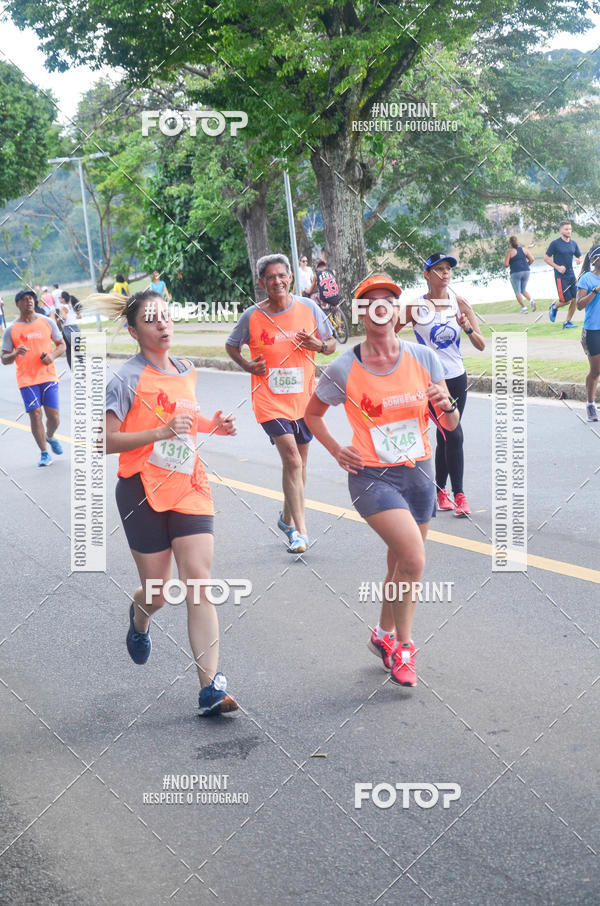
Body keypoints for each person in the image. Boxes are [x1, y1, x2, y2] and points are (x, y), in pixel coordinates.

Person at [304, 274, 460, 687]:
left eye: (387, 301)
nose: (379, 308)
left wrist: (448, 406)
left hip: (421, 476)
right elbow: (312, 414)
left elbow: (448, 422)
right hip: (373, 477)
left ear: (397, 311)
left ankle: (382, 635)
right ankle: (404, 648)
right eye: (369, 302)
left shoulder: (423, 358)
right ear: (360, 313)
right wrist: (338, 449)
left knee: (399, 563)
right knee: (412, 557)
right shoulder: (344, 367)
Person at [95, 288, 239, 716]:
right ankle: (140, 618)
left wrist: (215, 423)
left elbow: (185, 417)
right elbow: (104, 440)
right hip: (140, 489)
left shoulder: (186, 368)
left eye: (166, 317)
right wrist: (158, 434)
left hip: (188, 484)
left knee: (198, 581)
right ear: (134, 329)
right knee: (158, 591)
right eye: (151, 319)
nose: (163, 325)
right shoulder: (124, 378)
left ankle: (210, 686)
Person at [225, 253, 336, 553]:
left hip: (304, 400)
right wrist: (248, 366)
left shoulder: (309, 308)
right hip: (269, 401)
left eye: (282, 275)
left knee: (299, 467)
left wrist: (319, 346)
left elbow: (332, 343)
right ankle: (300, 532)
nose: (277, 281)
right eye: (270, 277)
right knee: (292, 460)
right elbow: (231, 345)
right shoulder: (252, 316)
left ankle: (287, 518)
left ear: (290, 277)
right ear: (261, 283)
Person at [403, 253, 484, 517]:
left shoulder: (459, 303)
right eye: (438, 269)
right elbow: (386, 336)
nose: (445, 273)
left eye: (448, 269)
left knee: (446, 435)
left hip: (457, 377)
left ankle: (440, 491)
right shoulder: (416, 307)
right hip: (430, 382)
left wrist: (468, 328)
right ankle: (459, 495)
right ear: (427, 274)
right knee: (454, 433)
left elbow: (481, 344)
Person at [1, 289, 66, 466]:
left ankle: (50, 436)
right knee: (35, 414)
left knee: (54, 417)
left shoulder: (46, 322)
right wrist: (15, 353)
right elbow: (4, 358)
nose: (29, 301)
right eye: (24, 299)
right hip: (26, 380)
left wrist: (51, 357)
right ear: (18, 304)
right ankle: (44, 453)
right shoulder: (11, 330)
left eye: (31, 298)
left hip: (48, 376)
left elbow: (61, 345)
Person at [576, 245, 600, 422]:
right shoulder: (587, 279)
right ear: (594, 260)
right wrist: (595, 291)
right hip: (593, 331)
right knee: (596, 371)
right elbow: (579, 305)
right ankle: (590, 405)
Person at [545, 221, 582, 328]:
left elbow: (579, 256)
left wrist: (579, 260)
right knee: (566, 300)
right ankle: (554, 307)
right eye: (566, 229)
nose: (569, 231)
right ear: (561, 230)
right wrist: (558, 267)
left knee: (575, 299)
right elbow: (546, 258)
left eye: (570, 229)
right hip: (560, 277)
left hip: (571, 276)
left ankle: (567, 322)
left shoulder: (573, 244)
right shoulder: (555, 244)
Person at [504, 237, 535, 313]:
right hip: (526, 271)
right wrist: (526, 265)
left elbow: (506, 264)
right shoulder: (524, 250)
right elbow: (532, 259)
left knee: (517, 291)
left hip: (515, 272)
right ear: (517, 242)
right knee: (523, 289)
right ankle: (531, 301)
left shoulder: (509, 251)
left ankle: (524, 308)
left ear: (510, 243)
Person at [59, 291, 82, 369]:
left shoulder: (62, 307)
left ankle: (73, 370)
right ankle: (83, 366)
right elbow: (79, 316)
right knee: (77, 350)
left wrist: (59, 319)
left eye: (60, 297)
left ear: (63, 299)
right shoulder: (72, 306)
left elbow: (64, 318)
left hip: (67, 329)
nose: (59, 299)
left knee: (68, 351)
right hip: (76, 328)